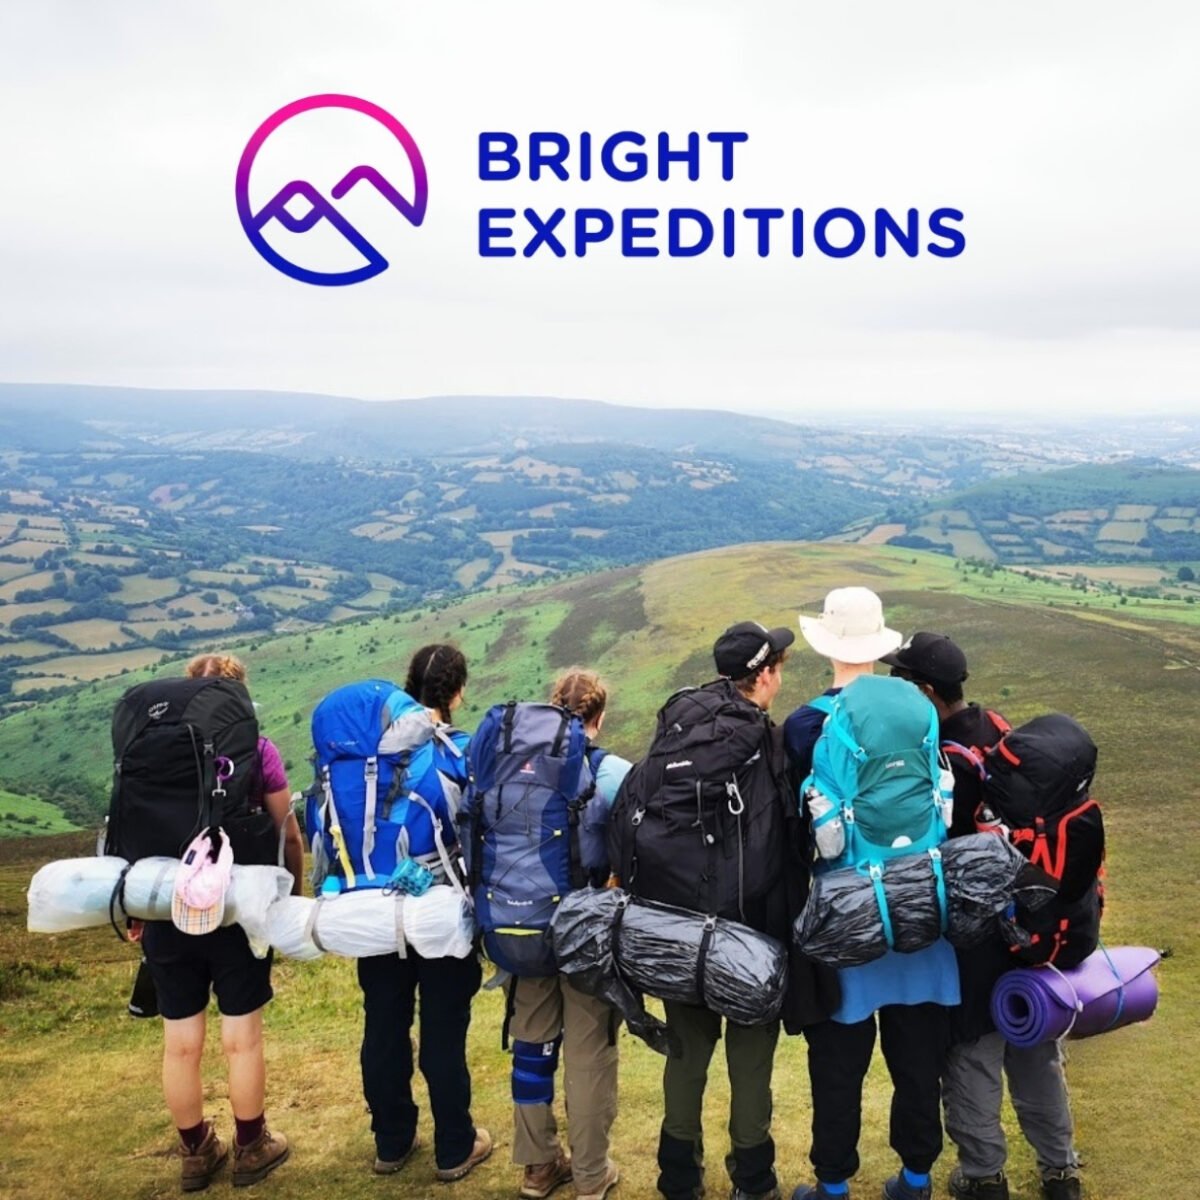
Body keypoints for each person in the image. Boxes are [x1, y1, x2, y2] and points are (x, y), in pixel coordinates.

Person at [881, 633, 1082, 1200]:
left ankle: (983, 1174)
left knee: (974, 1051)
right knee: (1035, 1045)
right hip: (1027, 919)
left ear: (924, 691)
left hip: (972, 931)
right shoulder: (1000, 730)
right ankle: (1060, 1169)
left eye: (902, 682)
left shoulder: (935, 755)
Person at [783, 590, 959, 1200]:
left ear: (825, 644)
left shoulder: (806, 724)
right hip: (918, 911)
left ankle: (832, 1186)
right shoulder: (916, 708)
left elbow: (797, 827)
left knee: (838, 1067)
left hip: (847, 917)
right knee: (917, 1060)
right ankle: (915, 1178)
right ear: (881, 643)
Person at [131, 651, 303, 1191]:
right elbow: (288, 832)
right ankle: (252, 1148)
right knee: (242, 1038)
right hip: (237, 905)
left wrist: (137, 905)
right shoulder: (258, 749)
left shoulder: (150, 751)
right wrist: (293, 890)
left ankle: (195, 1151)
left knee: (180, 1042)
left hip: (166, 907)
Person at [639, 619, 795, 1200]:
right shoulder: (768, 741)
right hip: (751, 933)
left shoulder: (676, 729)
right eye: (779, 666)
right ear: (764, 675)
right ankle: (753, 1182)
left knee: (686, 1056)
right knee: (749, 1065)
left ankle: (679, 1179)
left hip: (679, 930)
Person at [355, 644, 493, 1183]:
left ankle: (391, 1140)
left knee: (383, 1023)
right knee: (443, 1029)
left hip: (375, 909)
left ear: (407, 687)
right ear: (458, 692)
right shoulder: (458, 750)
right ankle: (454, 1146)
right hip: (440, 909)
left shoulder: (373, 754)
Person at [506, 668, 631, 1200]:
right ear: (599, 717)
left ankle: (537, 1167)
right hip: (586, 931)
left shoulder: (514, 767)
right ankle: (589, 1175)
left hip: (520, 924)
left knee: (531, 1044)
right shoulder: (612, 773)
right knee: (588, 1053)